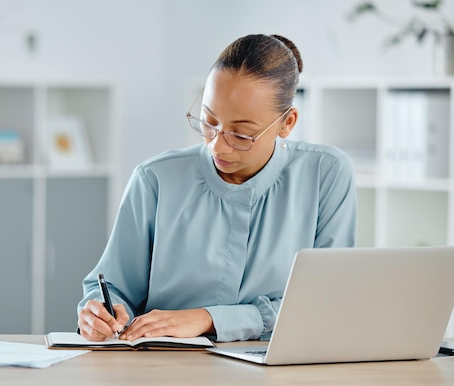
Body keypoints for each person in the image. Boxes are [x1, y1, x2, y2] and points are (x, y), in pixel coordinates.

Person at [77, 34, 356, 342]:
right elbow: (114, 287)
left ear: (287, 123)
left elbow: (326, 303)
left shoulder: (326, 174)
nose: (217, 146)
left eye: (241, 134)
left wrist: (208, 319)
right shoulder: (155, 179)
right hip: (167, 366)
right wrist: (100, 314)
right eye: (208, 121)